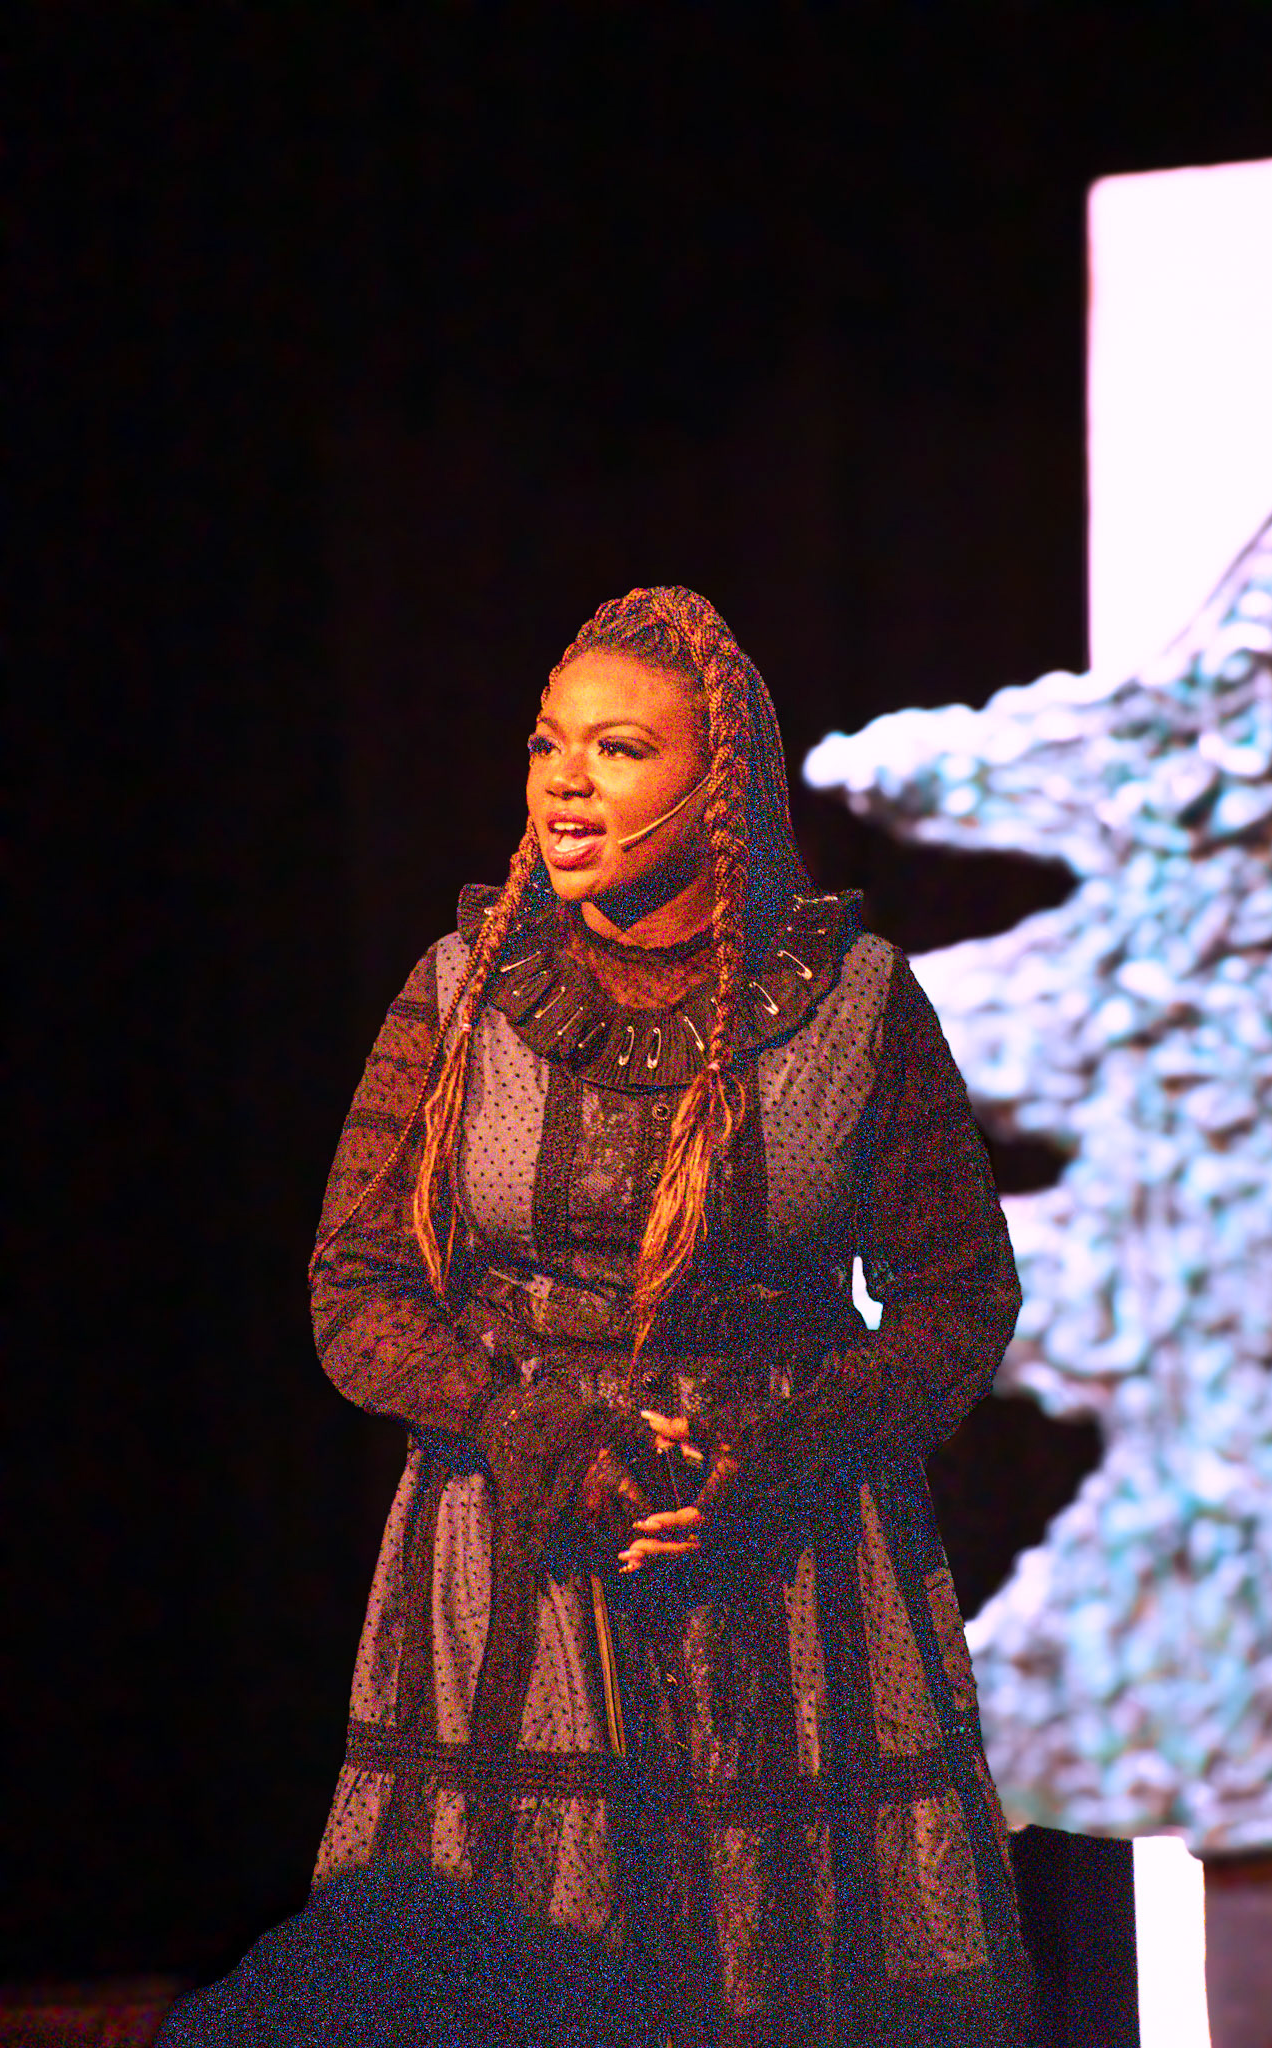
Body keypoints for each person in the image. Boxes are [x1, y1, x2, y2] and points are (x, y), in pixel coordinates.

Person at [238, 587, 1035, 2047]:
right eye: (549, 744)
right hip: (512, 1572)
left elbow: (959, 1297)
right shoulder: (464, 991)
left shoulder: (849, 1003)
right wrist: (532, 1427)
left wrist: (787, 1449)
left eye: (616, 750)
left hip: (788, 1585)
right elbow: (355, 1286)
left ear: (717, 783)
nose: (565, 782)